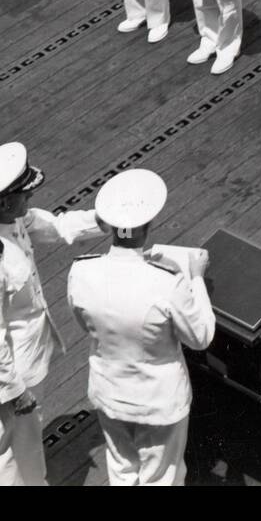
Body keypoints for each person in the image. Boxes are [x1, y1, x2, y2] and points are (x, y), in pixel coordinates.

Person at [0, 141, 102, 486]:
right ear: (5, 200)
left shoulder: (7, 216)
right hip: (13, 370)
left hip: (27, 356)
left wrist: (106, 221)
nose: (30, 201)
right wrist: (14, 391)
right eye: (25, 196)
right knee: (13, 449)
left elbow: (55, 227)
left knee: (24, 440)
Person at [68, 168, 215, 486]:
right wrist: (198, 277)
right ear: (148, 225)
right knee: (161, 477)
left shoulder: (81, 272)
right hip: (159, 402)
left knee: (121, 470)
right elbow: (200, 337)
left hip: (110, 394)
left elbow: (84, 322)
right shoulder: (166, 281)